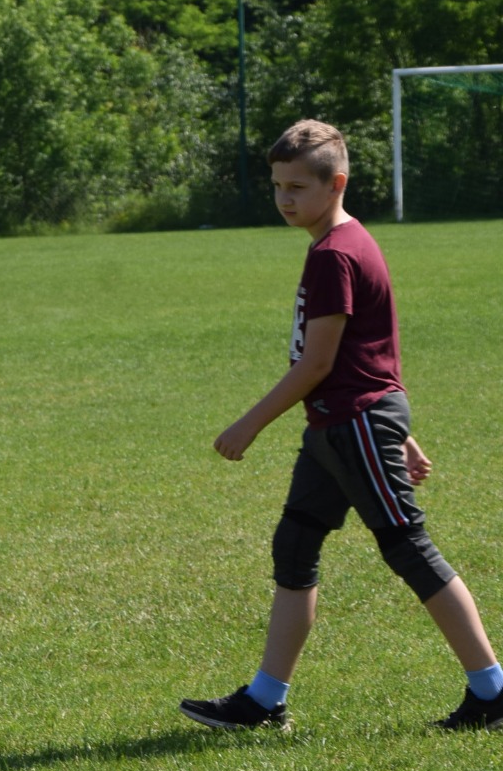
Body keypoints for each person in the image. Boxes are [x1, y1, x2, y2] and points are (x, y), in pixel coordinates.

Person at [182, 120, 503, 732]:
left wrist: (250, 423)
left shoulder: (335, 253)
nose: (284, 198)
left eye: (298, 186)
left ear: (337, 184)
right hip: (341, 426)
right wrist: (399, 430)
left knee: (407, 545)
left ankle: (494, 689)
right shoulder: (342, 244)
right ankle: (264, 699)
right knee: (296, 545)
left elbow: (322, 362)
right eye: (278, 185)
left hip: (352, 423)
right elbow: (369, 352)